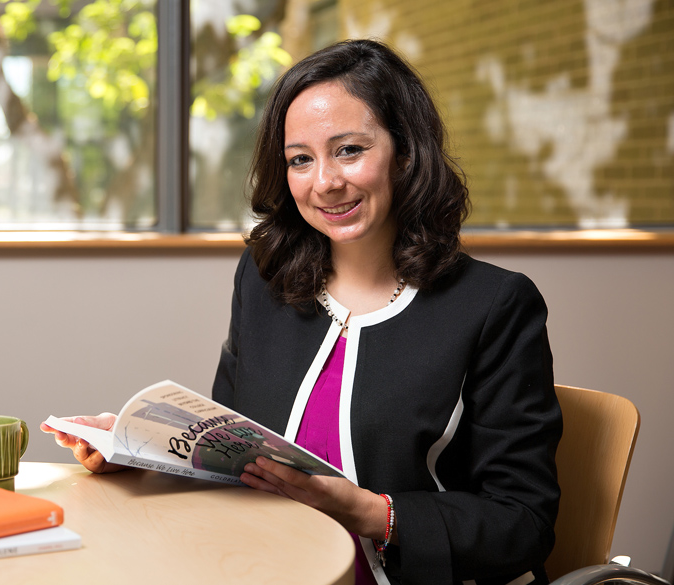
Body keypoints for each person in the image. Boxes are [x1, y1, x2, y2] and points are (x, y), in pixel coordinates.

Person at [42, 39, 562, 585]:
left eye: (350, 150)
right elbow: (228, 451)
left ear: (406, 152)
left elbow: (522, 523)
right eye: (300, 160)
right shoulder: (265, 279)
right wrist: (139, 448)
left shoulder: (494, 306)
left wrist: (368, 511)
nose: (325, 183)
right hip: (266, 566)